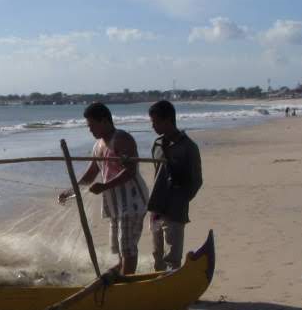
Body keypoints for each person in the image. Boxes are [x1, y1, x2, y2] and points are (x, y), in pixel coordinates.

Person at [59, 102, 149, 275]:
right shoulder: (98, 145)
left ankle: (126, 285)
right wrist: (70, 192)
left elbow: (130, 171)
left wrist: (105, 186)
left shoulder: (122, 139)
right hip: (114, 204)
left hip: (132, 202)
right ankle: (120, 274)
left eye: (92, 125)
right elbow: (91, 174)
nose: (90, 130)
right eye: (88, 126)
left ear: (105, 121)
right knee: (120, 248)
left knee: (128, 248)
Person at [145, 100, 203, 272]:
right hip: (156, 206)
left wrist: (181, 199)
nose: (153, 126)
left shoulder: (188, 147)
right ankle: (158, 282)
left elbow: (196, 180)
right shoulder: (156, 145)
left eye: (155, 122)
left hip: (175, 208)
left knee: (172, 254)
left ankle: (172, 283)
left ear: (168, 120)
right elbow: (157, 174)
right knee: (157, 252)